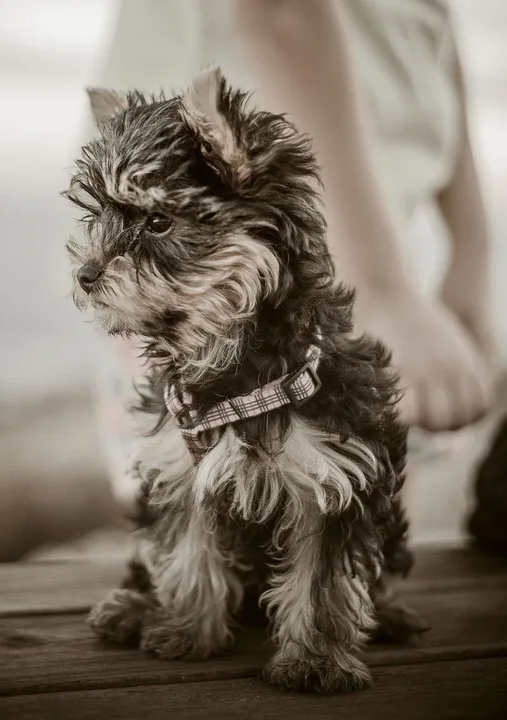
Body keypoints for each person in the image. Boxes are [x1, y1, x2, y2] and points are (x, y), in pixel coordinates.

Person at [86, 0, 499, 509]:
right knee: (200, 527)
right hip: (199, 261)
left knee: (357, 518)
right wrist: (378, 290)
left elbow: (433, 23)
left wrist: (472, 252)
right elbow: (282, 9)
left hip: (379, 243)